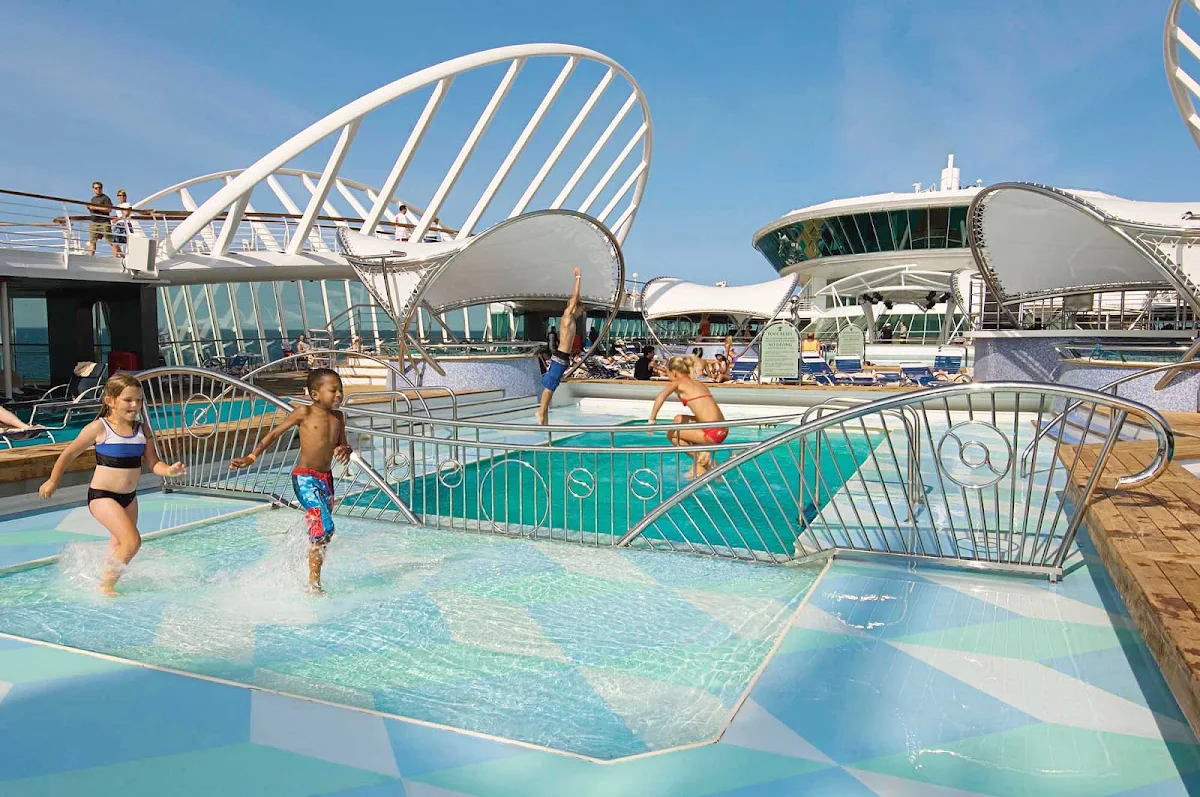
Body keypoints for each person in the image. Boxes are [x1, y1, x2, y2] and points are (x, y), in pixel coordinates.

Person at [38, 374, 186, 596]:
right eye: (128, 400)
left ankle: (107, 573)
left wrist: (169, 470)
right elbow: (69, 453)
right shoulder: (100, 428)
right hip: (102, 496)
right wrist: (53, 480)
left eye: (138, 400)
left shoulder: (142, 430)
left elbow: (153, 463)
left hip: (129, 498)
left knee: (119, 545)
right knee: (132, 541)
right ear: (110, 401)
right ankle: (105, 585)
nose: (135, 405)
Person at [230, 368, 350, 593]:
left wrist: (345, 449)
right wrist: (251, 457)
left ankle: (299, 568)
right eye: (333, 390)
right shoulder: (303, 412)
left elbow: (342, 443)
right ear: (315, 394)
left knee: (320, 534)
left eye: (340, 390)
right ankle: (314, 586)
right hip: (304, 478)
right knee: (324, 528)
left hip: (326, 481)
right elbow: (274, 434)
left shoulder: (339, 417)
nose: (338, 395)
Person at [648, 355, 728, 479]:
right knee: (678, 419)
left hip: (712, 433)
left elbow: (661, 396)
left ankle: (701, 455)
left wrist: (651, 421)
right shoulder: (697, 383)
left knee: (671, 434)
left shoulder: (678, 382)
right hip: (722, 428)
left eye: (668, 374)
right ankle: (704, 457)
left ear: (674, 373)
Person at [535, 268, 582, 425]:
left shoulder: (572, 320)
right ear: (574, 307)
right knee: (551, 385)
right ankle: (540, 412)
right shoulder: (567, 316)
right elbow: (575, 297)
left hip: (563, 355)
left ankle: (544, 416)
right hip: (560, 355)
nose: (582, 310)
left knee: (552, 385)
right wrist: (578, 277)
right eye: (580, 307)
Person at [86, 181, 121, 257]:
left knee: (110, 240)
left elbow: (109, 209)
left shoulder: (105, 198)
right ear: (93, 189)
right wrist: (90, 208)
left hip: (104, 222)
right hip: (94, 222)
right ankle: (90, 257)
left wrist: (95, 207)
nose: (98, 189)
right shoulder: (93, 199)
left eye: (99, 188)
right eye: (96, 188)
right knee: (92, 241)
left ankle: (118, 256)